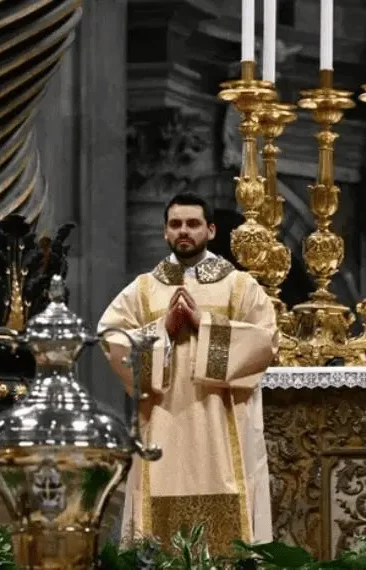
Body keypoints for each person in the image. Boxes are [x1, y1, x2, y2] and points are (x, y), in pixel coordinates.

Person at [98, 192, 279, 552]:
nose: (184, 231)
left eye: (193, 224)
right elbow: (111, 338)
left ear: (210, 230)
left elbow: (267, 340)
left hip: (223, 425)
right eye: (176, 224)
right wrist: (161, 329)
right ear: (165, 232)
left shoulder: (239, 286)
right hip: (162, 423)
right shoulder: (144, 289)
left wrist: (203, 324)